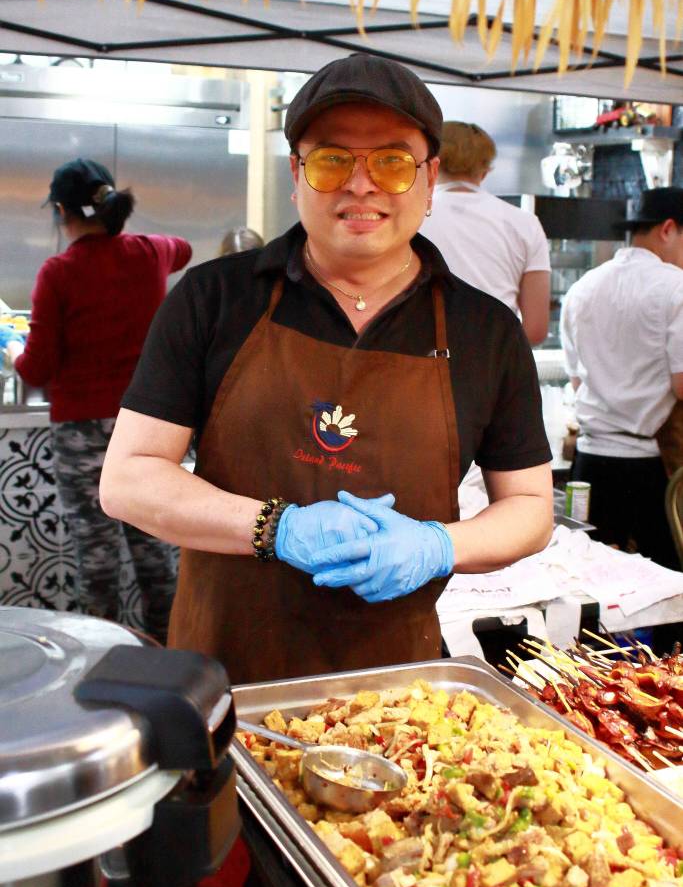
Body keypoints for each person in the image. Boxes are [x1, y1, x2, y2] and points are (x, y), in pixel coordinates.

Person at [100, 53, 553, 685]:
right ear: (297, 174)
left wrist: (438, 545)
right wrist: (276, 527)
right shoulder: (214, 299)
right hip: (223, 678)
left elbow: (530, 506)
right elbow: (128, 478)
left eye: (392, 162)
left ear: (429, 179)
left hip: (402, 696)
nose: (361, 185)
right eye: (332, 159)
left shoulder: (487, 331)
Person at [3, 158, 192, 641]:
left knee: (97, 552)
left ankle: (103, 652)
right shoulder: (151, 252)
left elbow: (37, 368)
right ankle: (170, 652)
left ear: (61, 211)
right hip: (146, 424)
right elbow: (185, 249)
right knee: (154, 546)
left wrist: (13, 348)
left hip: (82, 430)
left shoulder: (58, 273)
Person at [560, 187, 683, 570]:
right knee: (660, 585)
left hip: (588, 464)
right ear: (668, 229)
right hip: (644, 470)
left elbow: (577, 382)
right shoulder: (676, 287)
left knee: (586, 577)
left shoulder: (582, 287)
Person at [421, 121, 551, 345]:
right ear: (485, 171)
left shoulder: (411, 218)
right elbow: (536, 329)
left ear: (431, 164)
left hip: (421, 354)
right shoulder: (525, 223)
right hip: (495, 354)